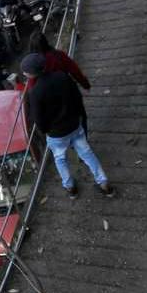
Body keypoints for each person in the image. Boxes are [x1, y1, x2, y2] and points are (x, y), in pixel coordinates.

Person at [22, 53, 115, 199]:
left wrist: (46, 130)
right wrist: (78, 116)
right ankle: (104, 183)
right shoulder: (62, 76)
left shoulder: (35, 92)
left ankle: (70, 187)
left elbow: (38, 119)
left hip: (56, 133)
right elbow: (77, 97)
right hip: (74, 125)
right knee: (87, 153)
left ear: (30, 74)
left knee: (60, 159)